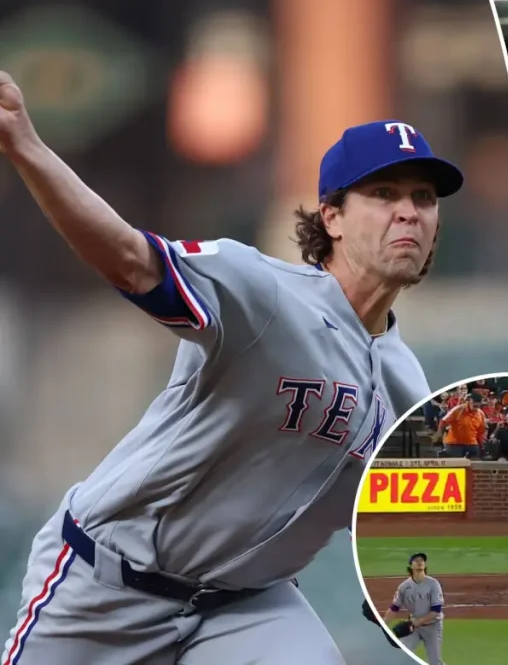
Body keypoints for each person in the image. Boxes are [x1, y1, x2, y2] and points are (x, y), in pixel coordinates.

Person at [0, 69, 463, 665]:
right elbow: (127, 258)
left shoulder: (410, 391)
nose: (409, 212)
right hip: (107, 586)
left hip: (244, 608)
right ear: (333, 217)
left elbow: (407, 526)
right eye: (384, 194)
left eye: (423, 199)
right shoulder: (264, 294)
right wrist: (25, 144)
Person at [379, 553, 444, 665]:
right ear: (411, 566)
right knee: (400, 655)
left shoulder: (433, 584)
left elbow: (436, 611)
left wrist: (415, 623)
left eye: (422, 560)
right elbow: (394, 608)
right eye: (416, 560)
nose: (420, 562)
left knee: (434, 662)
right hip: (413, 627)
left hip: (433, 626)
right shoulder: (404, 587)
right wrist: (382, 627)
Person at [436, 393, 486, 458]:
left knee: (475, 460)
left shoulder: (481, 414)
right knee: (458, 464)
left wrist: (482, 446)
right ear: (469, 400)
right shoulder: (458, 409)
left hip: (471, 443)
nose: (476, 404)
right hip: (454, 443)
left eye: (478, 402)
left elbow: (481, 432)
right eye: (474, 402)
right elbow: (443, 421)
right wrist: (440, 437)